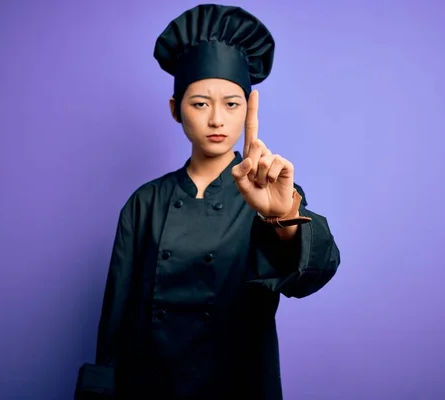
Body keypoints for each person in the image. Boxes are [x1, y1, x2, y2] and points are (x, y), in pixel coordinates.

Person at [94, 4, 341, 399]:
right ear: (176, 110)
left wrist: (286, 217)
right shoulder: (145, 203)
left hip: (238, 383)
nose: (216, 120)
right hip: (149, 388)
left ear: (247, 110)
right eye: (200, 103)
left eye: (231, 103)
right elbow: (114, 316)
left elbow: (311, 277)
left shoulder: (269, 192)